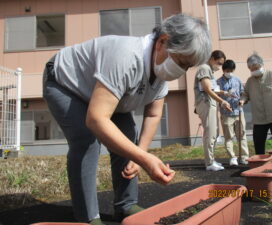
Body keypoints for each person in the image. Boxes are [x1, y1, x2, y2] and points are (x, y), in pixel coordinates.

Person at [43, 14, 211, 225]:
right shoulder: (126, 56)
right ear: (162, 41)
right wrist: (145, 159)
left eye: (187, 67)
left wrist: (139, 155)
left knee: (127, 137)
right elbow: (96, 119)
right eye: (182, 62)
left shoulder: (161, 72)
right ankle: (88, 218)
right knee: (86, 141)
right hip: (66, 83)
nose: (181, 71)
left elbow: (153, 113)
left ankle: (126, 205)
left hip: (105, 95)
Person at [194, 50, 232, 171]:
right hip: (206, 103)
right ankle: (209, 163)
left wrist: (224, 93)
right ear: (211, 58)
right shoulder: (204, 68)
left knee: (214, 133)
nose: (219, 66)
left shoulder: (209, 71)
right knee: (210, 133)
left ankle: (211, 160)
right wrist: (222, 101)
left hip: (210, 104)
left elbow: (213, 89)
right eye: (218, 63)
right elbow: (207, 89)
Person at [217, 60, 249, 166]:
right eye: (227, 70)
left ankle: (244, 157)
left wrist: (242, 101)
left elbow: (243, 93)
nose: (229, 72)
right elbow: (216, 96)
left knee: (242, 136)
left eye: (231, 70)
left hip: (239, 112)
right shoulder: (218, 82)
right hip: (226, 114)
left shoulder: (237, 80)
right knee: (228, 137)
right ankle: (232, 157)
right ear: (223, 70)